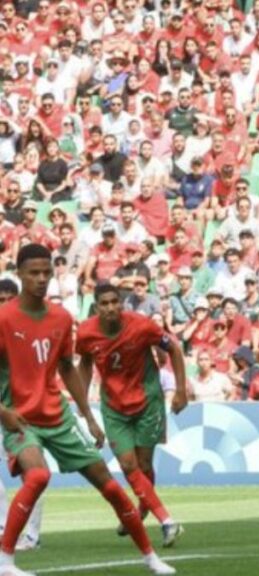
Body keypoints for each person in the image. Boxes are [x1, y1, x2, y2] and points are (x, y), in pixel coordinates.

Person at [0, 244, 176, 576]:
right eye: (33, 273)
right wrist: (2, 412)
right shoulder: (4, 318)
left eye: (45, 273)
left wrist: (89, 417)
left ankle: (151, 558)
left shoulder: (62, 318)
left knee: (110, 486)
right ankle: (5, 561)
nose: (40, 279)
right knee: (37, 475)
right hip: (20, 417)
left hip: (58, 415)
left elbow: (67, 368)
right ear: (19, 275)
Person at [76, 283, 189, 545]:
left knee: (144, 465)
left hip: (147, 402)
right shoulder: (85, 333)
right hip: (114, 407)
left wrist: (181, 390)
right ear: (96, 307)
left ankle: (143, 507)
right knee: (128, 465)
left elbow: (173, 348)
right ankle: (167, 521)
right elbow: (84, 363)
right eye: (104, 303)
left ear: (121, 303)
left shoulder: (142, 325)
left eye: (115, 301)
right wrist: (83, 404)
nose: (111, 307)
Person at [0, 280, 43, 552]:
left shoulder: (30, 331)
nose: (4, 303)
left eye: (9, 298)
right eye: (0, 298)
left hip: (25, 411)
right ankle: (4, 526)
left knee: (33, 473)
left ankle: (31, 534)